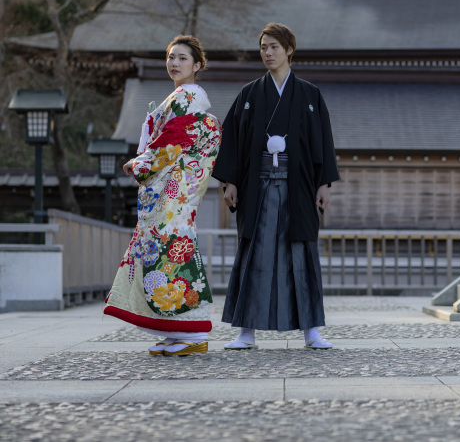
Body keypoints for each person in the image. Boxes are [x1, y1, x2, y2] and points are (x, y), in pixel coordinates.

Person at [213, 22, 339, 350]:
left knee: (301, 254)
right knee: (255, 254)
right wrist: (228, 181)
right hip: (258, 189)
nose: (267, 53)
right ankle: (246, 332)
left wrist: (324, 182)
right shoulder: (250, 94)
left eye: (274, 47)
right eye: (263, 48)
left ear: (289, 51)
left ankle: (311, 331)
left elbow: (323, 141)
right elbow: (232, 141)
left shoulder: (310, 95)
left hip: (298, 188)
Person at [104, 35, 221, 356]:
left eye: (183, 58)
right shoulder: (179, 99)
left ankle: (192, 330)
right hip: (173, 190)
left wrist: (139, 163)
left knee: (172, 248)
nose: (174, 63)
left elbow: (173, 138)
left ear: (198, 65)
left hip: (173, 191)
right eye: (171, 57)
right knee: (162, 249)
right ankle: (173, 328)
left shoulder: (185, 100)